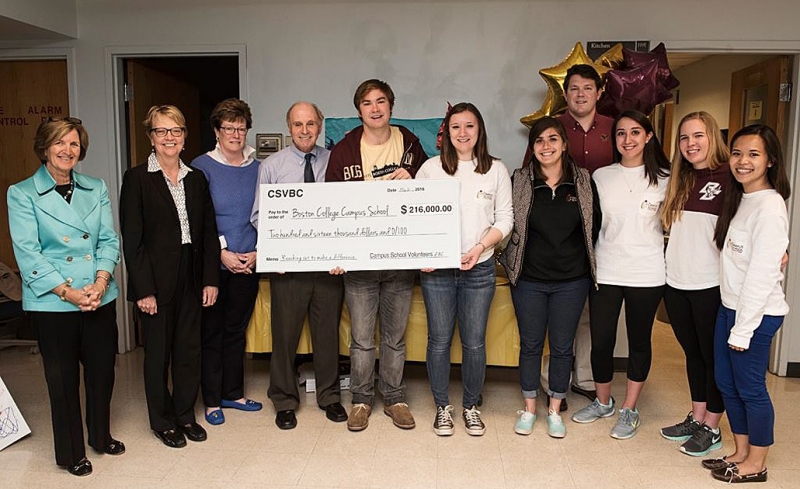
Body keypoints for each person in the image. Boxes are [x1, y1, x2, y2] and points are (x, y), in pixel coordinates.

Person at [7, 117, 124, 476]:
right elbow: (28, 253)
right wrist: (69, 292)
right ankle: (71, 452)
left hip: (97, 296)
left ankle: (100, 437)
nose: (67, 150)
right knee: (62, 380)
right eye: (59, 143)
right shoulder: (22, 193)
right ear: (45, 148)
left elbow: (108, 239)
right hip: (53, 301)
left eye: (73, 144)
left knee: (103, 372)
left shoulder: (96, 187)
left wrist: (101, 283)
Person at [325, 79, 428, 431]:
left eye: (381, 101)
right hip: (359, 264)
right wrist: (336, 253)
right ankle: (361, 401)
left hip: (399, 260)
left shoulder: (410, 144)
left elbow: (430, 196)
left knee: (395, 338)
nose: (374, 108)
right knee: (362, 339)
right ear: (359, 111)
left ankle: (395, 398)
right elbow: (331, 208)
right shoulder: (343, 151)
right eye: (367, 103)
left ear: (391, 106)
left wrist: (413, 179)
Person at [120, 105, 220, 448]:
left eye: (175, 131)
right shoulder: (136, 179)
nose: (169, 138)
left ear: (184, 136)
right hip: (156, 280)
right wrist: (144, 290)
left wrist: (210, 279)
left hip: (192, 274)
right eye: (162, 131)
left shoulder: (196, 178)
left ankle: (185, 415)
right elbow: (132, 242)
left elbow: (208, 233)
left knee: (188, 351)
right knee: (158, 354)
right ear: (151, 137)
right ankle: (162, 421)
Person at [571, 110, 670, 440]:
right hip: (607, 268)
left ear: (648, 137)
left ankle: (629, 408)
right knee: (601, 341)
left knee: (639, 342)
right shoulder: (601, 176)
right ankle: (603, 402)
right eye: (621, 134)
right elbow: (592, 224)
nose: (628, 139)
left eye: (635, 132)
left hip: (647, 271)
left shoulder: (667, 178)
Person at [416, 103, 512, 436]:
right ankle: (443, 406)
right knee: (439, 341)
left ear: (479, 130)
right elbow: (415, 218)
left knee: (474, 343)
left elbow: (505, 220)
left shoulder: (496, 170)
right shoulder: (430, 169)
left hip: (480, 268)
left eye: (469, 126)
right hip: (437, 272)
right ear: (446, 132)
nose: (463, 133)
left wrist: (479, 248)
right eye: (455, 126)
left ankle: (471, 406)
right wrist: (422, 253)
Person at [250, 101, 348, 430]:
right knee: (284, 336)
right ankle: (284, 399)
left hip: (327, 268)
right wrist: (275, 254)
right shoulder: (272, 166)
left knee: (327, 336)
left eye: (310, 124)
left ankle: (330, 396)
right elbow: (259, 216)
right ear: (288, 127)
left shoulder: (335, 162)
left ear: (320, 126)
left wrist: (342, 255)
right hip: (288, 270)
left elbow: (347, 212)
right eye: (297, 124)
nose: (304, 130)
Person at [500, 116, 599, 438]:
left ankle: (555, 409)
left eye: (553, 139)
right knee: (530, 345)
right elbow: (506, 222)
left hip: (572, 281)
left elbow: (593, 227)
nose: (546, 146)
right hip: (528, 279)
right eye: (539, 140)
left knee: (561, 347)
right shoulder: (520, 180)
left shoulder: (582, 181)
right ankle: (529, 408)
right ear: (532, 147)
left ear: (564, 144)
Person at [522, 64, 614, 409]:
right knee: (545, 333)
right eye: (573, 88)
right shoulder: (554, 127)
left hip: (600, 235)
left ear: (598, 92)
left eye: (587, 88)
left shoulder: (613, 128)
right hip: (548, 252)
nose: (580, 94)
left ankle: (586, 378)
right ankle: (550, 385)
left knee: (590, 315)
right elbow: (525, 189)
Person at [703, 124, 790, 484]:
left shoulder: (770, 207)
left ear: (770, 160)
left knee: (751, 387)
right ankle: (740, 451)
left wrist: (743, 328)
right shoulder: (741, 198)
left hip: (755, 314)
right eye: (737, 153)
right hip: (731, 307)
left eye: (754, 154)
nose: (743, 161)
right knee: (727, 383)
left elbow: (761, 275)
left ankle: (757, 463)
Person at [659, 112, 729, 456]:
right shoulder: (680, 179)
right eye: (684, 138)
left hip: (709, 285)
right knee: (692, 354)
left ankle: (712, 427)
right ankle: (697, 416)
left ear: (712, 136)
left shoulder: (730, 177)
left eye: (698, 136)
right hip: (676, 284)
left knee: (711, 356)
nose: (691, 144)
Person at [191, 98, 262, 427]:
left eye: (241, 127)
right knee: (212, 333)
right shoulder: (200, 167)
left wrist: (258, 252)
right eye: (229, 128)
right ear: (216, 131)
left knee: (236, 332)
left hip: (249, 263)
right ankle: (210, 399)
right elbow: (198, 220)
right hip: (214, 265)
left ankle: (232, 393)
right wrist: (222, 253)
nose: (236, 133)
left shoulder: (258, 167)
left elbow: (266, 216)